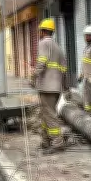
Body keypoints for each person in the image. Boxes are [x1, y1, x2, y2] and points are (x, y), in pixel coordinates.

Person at [32, 18, 69, 154]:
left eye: (40, 31)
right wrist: (64, 87)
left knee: (50, 115)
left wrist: (34, 75)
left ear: (42, 31)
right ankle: (46, 140)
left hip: (46, 87)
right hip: (56, 87)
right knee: (46, 114)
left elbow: (42, 61)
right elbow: (64, 69)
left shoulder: (43, 43)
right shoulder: (58, 47)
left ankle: (57, 142)